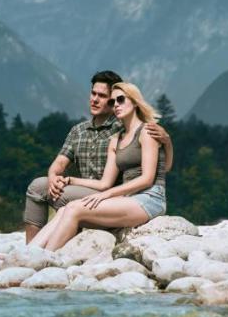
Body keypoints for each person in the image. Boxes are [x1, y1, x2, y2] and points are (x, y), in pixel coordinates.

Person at [24, 71, 173, 243]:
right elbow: (59, 162)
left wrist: (167, 141)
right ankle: (30, 251)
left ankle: (61, 244)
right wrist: (55, 179)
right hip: (94, 187)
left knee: (67, 204)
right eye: (93, 93)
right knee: (37, 186)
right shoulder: (80, 131)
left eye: (103, 96)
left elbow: (157, 169)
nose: (95, 99)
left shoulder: (122, 126)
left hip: (119, 194)